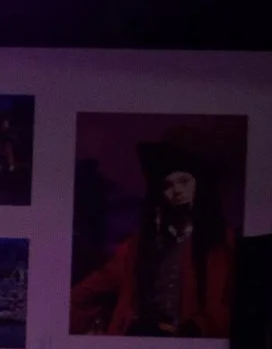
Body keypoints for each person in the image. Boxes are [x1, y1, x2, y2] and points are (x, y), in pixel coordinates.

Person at [70, 141, 235, 337]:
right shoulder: (139, 244)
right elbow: (91, 288)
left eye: (184, 181)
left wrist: (193, 328)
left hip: (189, 343)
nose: (177, 191)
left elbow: (222, 304)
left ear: (197, 184)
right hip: (140, 339)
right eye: (168, 185)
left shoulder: (219, 240)